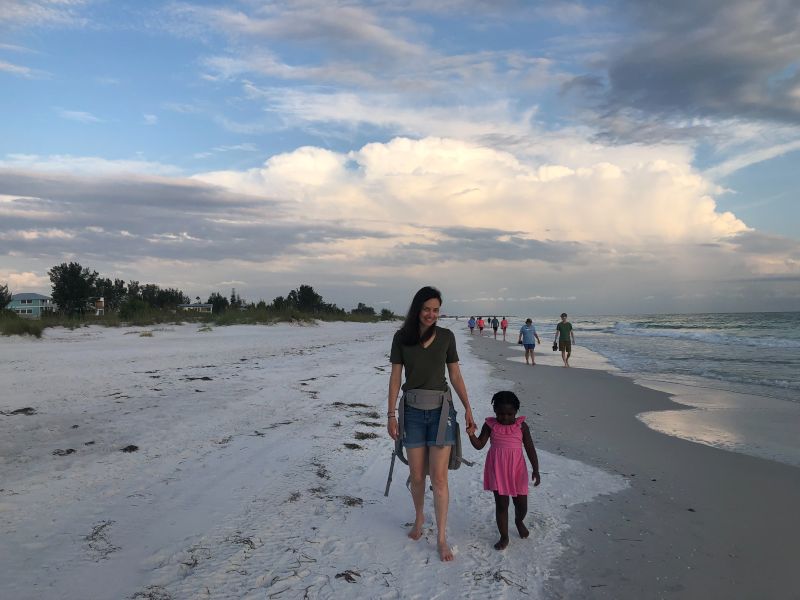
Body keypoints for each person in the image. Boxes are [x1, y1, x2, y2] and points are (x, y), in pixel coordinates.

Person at [387, 286, 476, 562]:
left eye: (436, 310)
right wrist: (391, 414)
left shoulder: (447, 337)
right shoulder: (402, 338)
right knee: (416, 476)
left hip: (441, 413)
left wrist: (468, 408)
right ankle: (418, 518)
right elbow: (395, 377)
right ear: (417, 309)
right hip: (412, 412)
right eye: (427, 309)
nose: (431, 314)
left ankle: (441, 537)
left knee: (439, 478)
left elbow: (456, 375)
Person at [467, 391, 541, 550]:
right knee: (502, 505)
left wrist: (536, 469)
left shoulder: (521, 426)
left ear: (516, 412)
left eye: (510, 414)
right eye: (501, 414)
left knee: (522, 505)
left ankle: (519, 520)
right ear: (495, 411)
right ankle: (504, 536)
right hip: (497, 469)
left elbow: (530, 448)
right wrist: (471, 434)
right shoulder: (490, 425)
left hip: (517, 470)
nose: (505, 417)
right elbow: (479, 445)